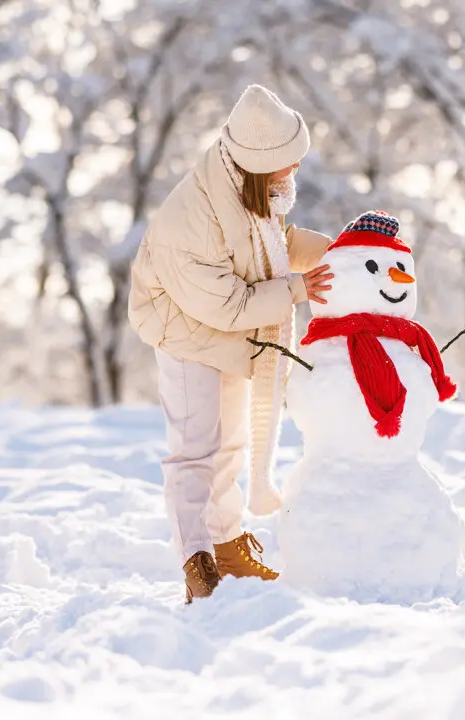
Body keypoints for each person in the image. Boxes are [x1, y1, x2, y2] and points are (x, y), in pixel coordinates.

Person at [128, 84, 334, 603]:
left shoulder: (251, 192)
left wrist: (343, 252)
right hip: (184, 330)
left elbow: (276, 246)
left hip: (226, 330)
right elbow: (230, 304)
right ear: (262, 166)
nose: (294, 174)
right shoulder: (192, 218)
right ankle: (196, 558)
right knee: (197, 448)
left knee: (233, 443)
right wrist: (296, 290)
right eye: (287, 166)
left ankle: (227, 546)